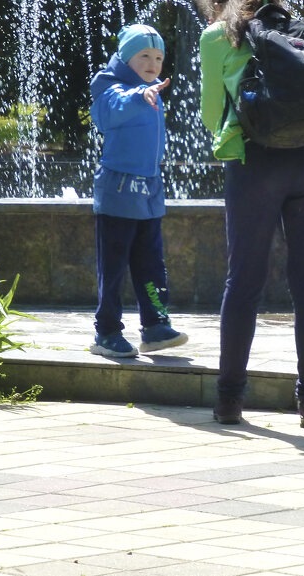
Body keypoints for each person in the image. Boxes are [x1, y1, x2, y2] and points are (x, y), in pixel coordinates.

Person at [197, 0, 304, 428]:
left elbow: (212, 115)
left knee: (243, 281)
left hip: (255, 163)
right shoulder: (301, 31)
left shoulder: (215, 37)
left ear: (223, 3)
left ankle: (229, 401)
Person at [88, 23, 188, 358]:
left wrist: (146, 93)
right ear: (127, 58)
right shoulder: (110, 85)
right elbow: (110, 110)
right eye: (144, 55)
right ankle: (107, 332)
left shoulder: (152, 88)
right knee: (113, 267)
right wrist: (138, 95)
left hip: (148, 191)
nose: (153, 63)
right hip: (117, 191)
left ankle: (156, 325)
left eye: (158, 57)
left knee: (151, 263)